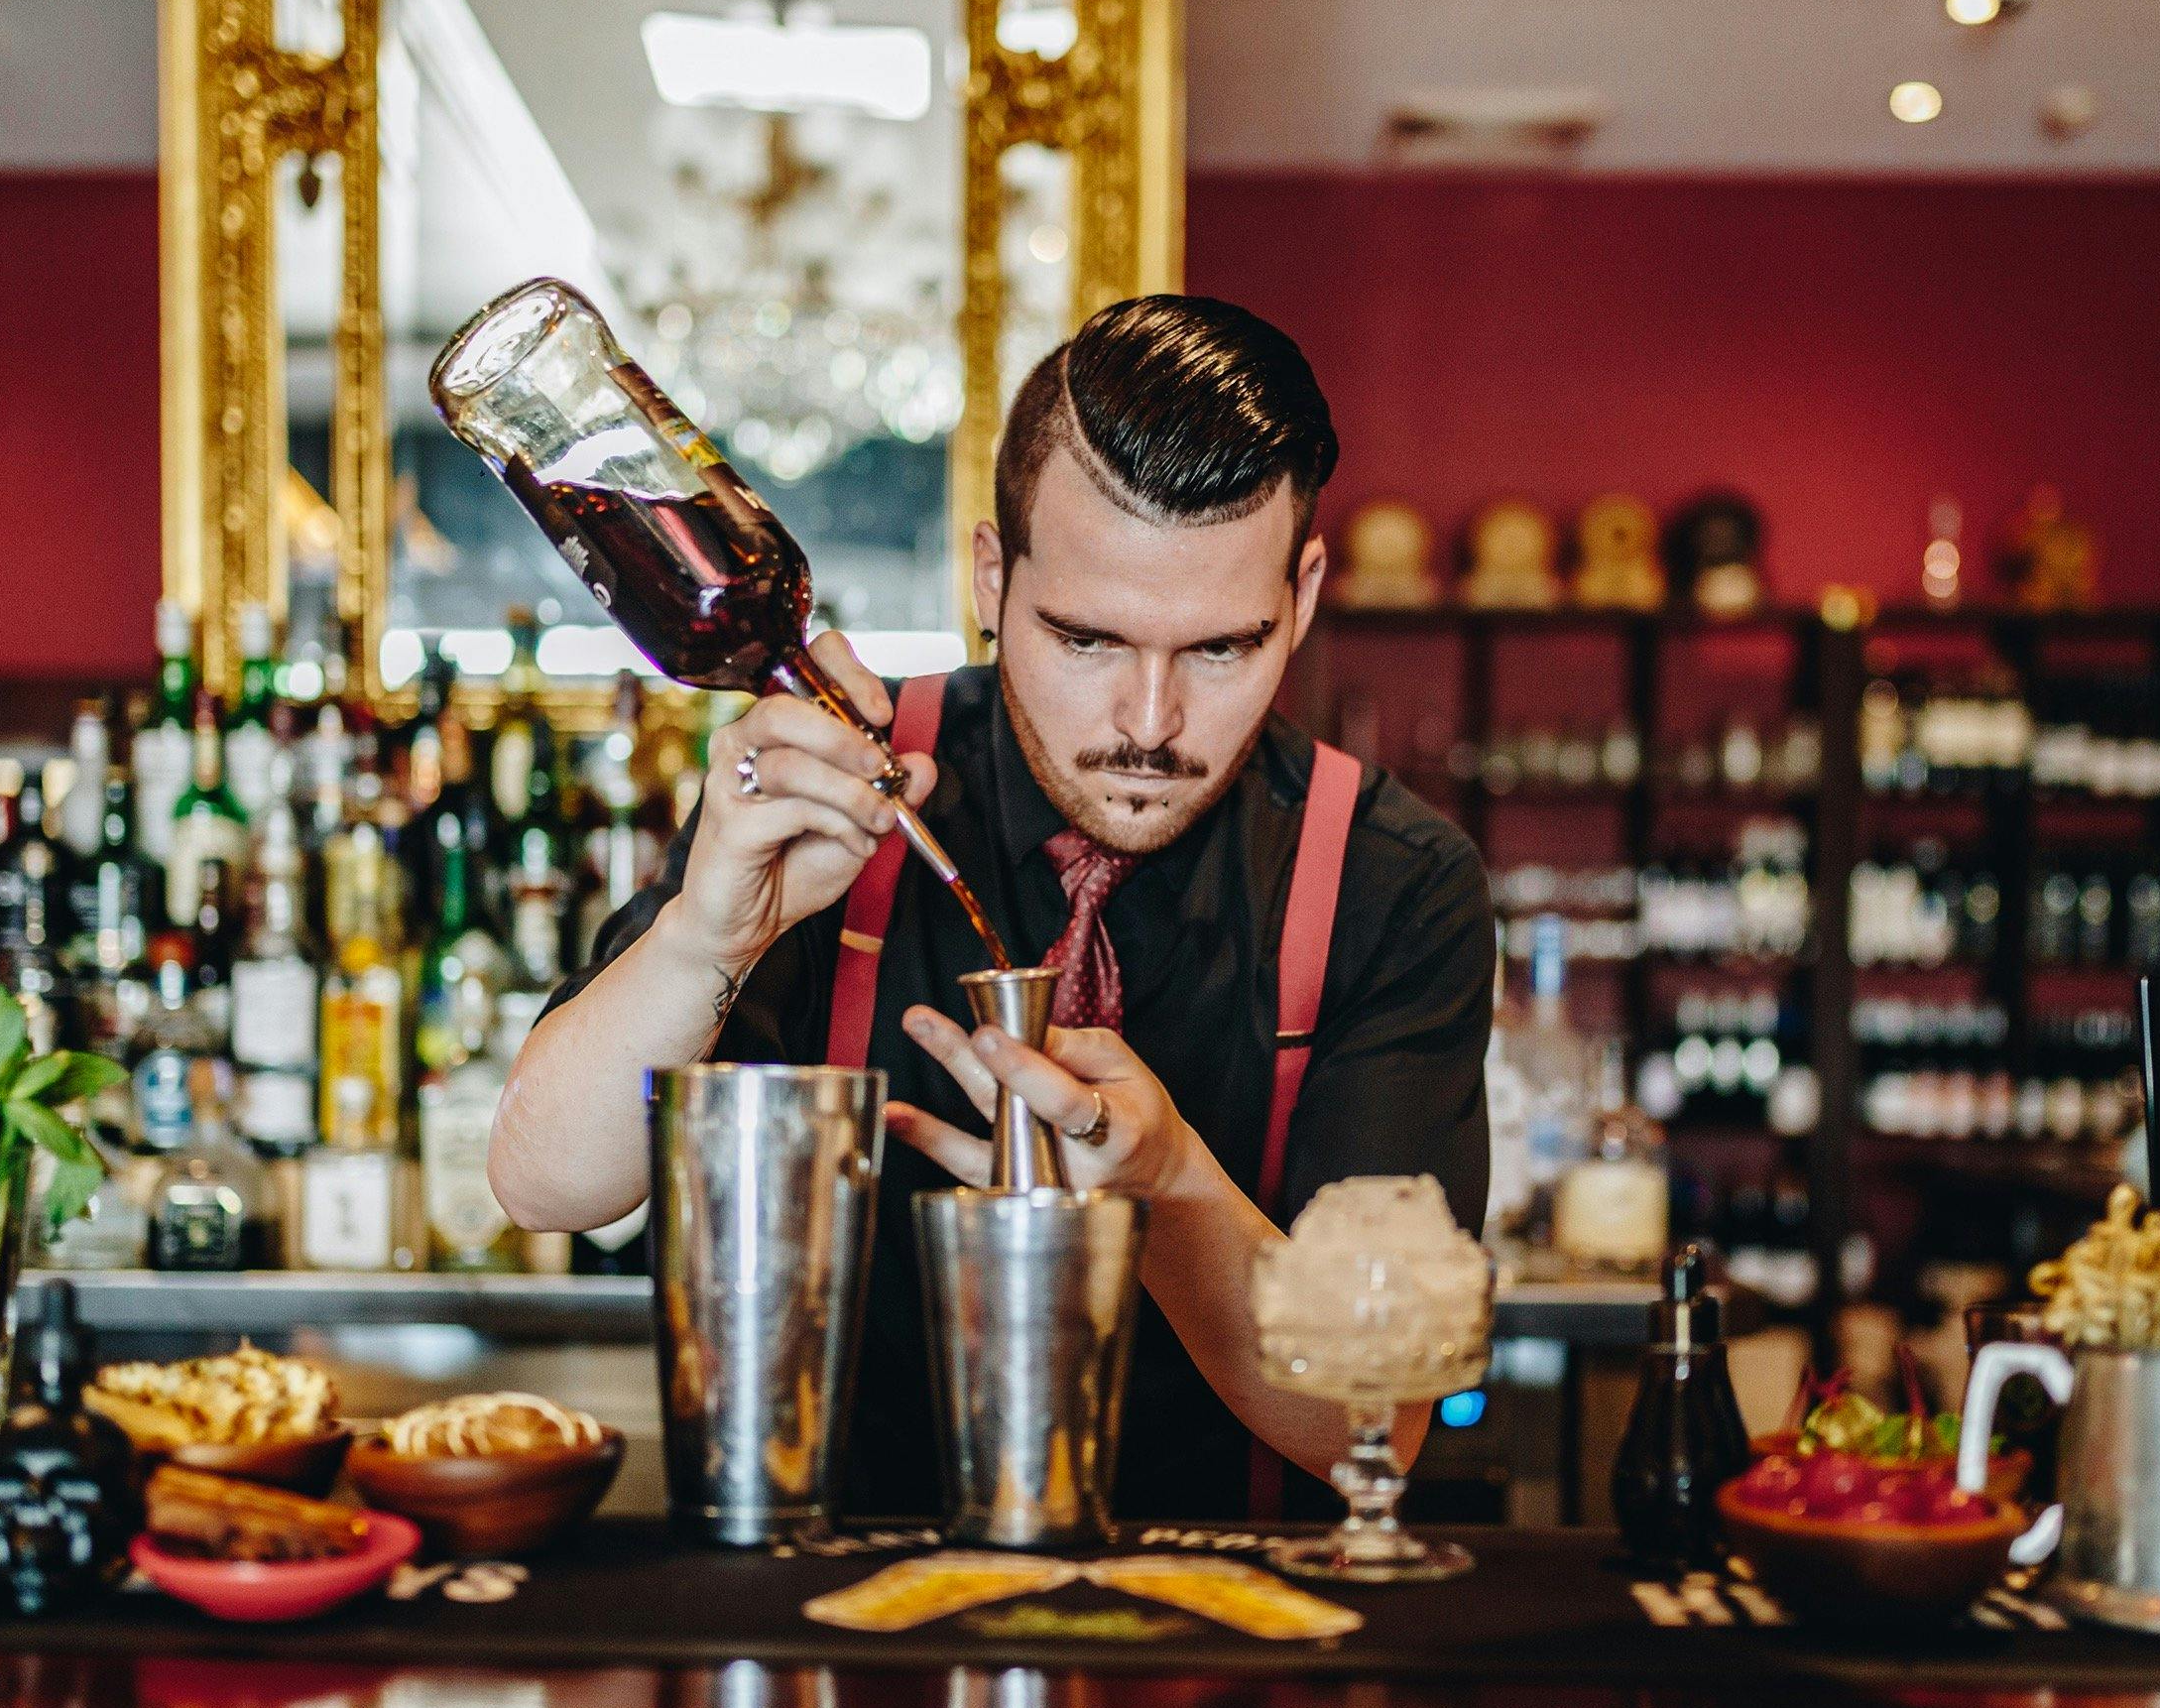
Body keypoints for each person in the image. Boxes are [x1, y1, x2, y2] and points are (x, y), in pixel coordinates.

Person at [493, 295, 1496, 1521]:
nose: (1147, 720)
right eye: (1085, 638)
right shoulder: (839, 778)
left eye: (1223, 649)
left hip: (1233, 1647)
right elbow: (544, 1181)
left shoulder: (1393, 879)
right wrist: (715, 928)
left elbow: (1371, 1427)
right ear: (990, 575)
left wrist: (1169, 1182)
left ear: (1304, 593)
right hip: (845, 1631)